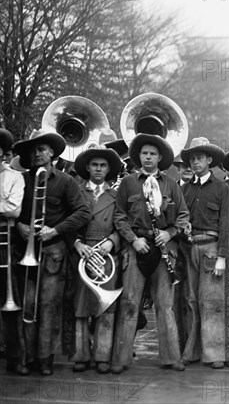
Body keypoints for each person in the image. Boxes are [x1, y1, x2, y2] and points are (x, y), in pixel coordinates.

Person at [13, 130, 91, 376]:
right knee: (26, 306)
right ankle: (26, 357)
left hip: (52, 253)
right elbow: (9, 209)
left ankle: (45, 358)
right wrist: (19, 225)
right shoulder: (21, 180)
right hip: (24, 253)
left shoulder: (66, 181)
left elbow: (82, 212)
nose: (38, 153)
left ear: (52, 154)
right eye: (34, 150)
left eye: (42, 149)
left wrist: (55, 230)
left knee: (48, 307)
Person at [110, 133, 189, 374]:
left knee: (165, 306)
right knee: (129, 304)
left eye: (152, 154)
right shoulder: (128, 183)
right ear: (139, 156)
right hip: (137, 249)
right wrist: (133, 240)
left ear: (160, 158)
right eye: (144, 153)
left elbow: (184, 216)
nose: (148, 157)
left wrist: (170, 233)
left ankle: (171, 357)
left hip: (163, 250)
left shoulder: (171, 185)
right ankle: (120, 359)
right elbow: (119, 216)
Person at [179, 137, 229, 368]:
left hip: (211, 250)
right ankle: (192, 351)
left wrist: (222, 257)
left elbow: (225, 224)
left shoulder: (222, 188)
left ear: (209, 160)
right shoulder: (184, 189)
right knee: (192, 300)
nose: (195, 162)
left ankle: (215, 353)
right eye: (192, 158)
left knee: (212, 302)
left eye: (200, 158)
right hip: (189, 250)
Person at [70, 145, 123, 374]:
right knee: (80, 306)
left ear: (108, 169)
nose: (98, 169)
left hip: (106, 256)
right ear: (88, 168)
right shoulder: (76, 191)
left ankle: (102, 355)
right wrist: (78, 243)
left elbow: (123, 223)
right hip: (82, 253)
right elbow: (67, 221)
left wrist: (113, 241)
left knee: (106, 307)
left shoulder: (116, 195)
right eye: (94, 165)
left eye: (102, 165)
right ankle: (81, 354)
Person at [0, 129, 26, 375]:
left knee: (11, 303)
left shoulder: (15, 177)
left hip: (6, 243)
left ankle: (15, 358)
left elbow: (14, 209)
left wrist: (5, 208)